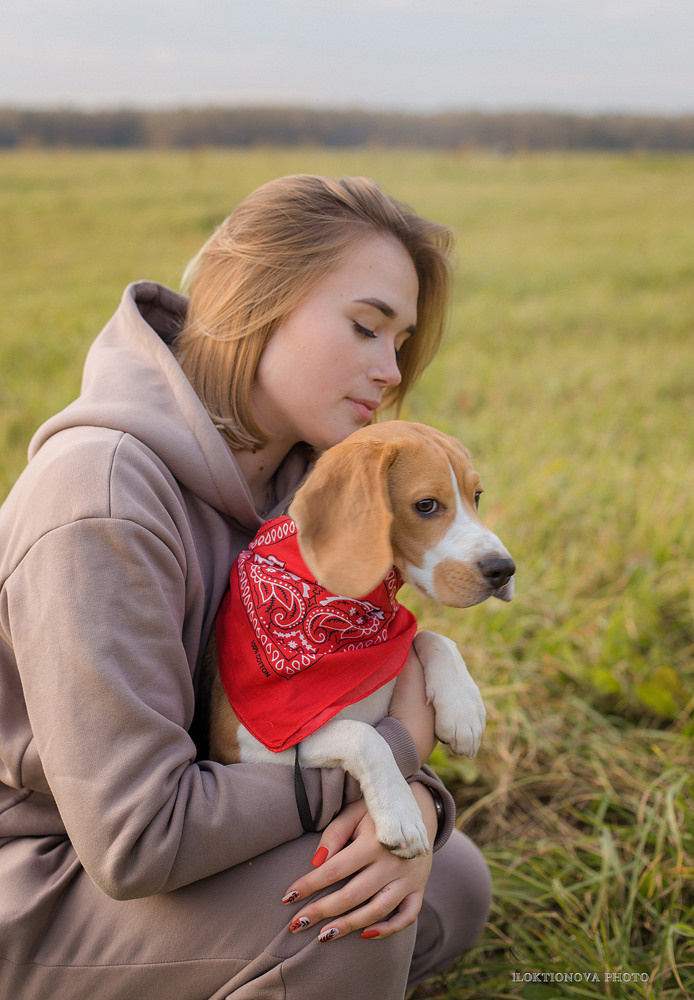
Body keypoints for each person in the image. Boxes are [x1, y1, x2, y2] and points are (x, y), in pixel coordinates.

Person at [0, 174, 491, 999]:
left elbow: (341, 684)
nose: (389, 370)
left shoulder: (306, 485)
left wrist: (401, 804)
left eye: (400, 342)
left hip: (207, 810)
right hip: (45, 871)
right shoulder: (102, 498)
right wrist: (396, 756)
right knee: (345, 929)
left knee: (446, 880)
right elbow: (135, 839)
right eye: (367, 327)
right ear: (258, 304)